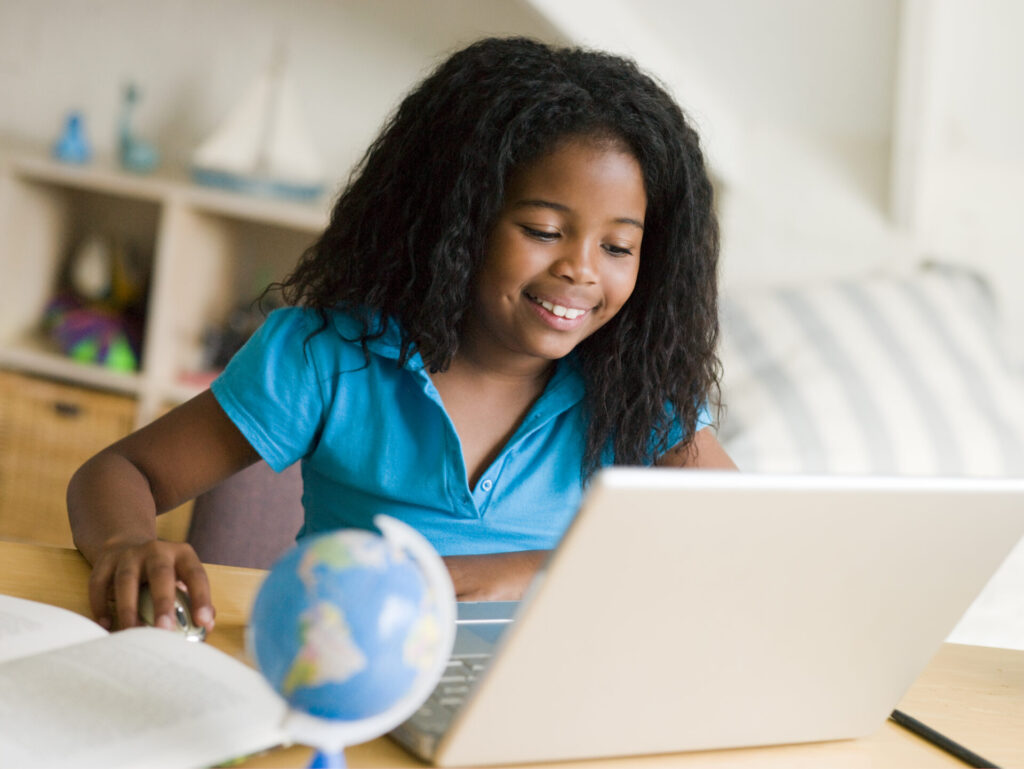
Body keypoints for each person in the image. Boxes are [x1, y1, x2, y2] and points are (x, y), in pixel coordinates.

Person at [67, 36, 736, 636]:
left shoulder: (640, 394)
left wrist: (537, 570)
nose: (581, 269)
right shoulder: (329, 357)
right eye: (541, 231)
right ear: (454, 220)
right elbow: (118, 470)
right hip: (349, 669)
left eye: (619, 245)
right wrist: (126, 543)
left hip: (546, 689)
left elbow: (741, 544)